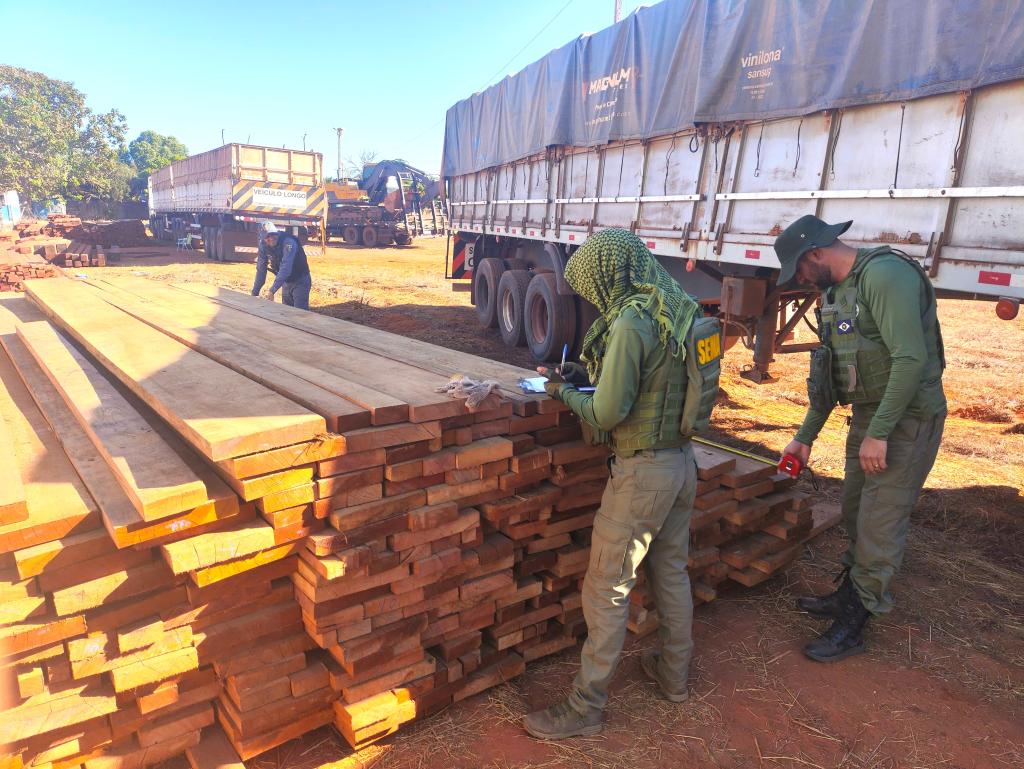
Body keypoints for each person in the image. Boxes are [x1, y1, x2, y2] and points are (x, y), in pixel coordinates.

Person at [523, 228, 717, 740]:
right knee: (670, 573)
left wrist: (565, 391)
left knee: (607, 586)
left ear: (610, 273)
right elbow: (658, 383)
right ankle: (674, 678)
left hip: (641, 474)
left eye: (593, 287)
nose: (594, 299)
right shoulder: (680, 309)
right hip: (681, 465)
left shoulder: (632, 321)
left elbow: (608, 413)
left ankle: (586, 705)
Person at [775, 215, 946, 663]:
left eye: (800, 271)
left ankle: (856, 621)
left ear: (815, 252)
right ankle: (850, 591)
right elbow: (832, 374)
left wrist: (881, 432)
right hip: (873, 416)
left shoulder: (885, 275)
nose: (802, 282)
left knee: (879, 522)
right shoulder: (835, 292)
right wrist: (804, 437)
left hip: (905, 420)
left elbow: (910, 359)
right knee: (854, 508)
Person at [252, 221, 312, 310]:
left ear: (276, 233)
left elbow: (286, 267)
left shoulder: (288, 242)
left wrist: (272, 290)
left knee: (300, 313)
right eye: (267, 237)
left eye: (273, 235)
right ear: (262, 238)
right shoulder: (263, 246)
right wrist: (254, 293)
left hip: (300, 280)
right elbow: (261, 269)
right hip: (286, 282)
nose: (271, 238)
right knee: (286, 312)